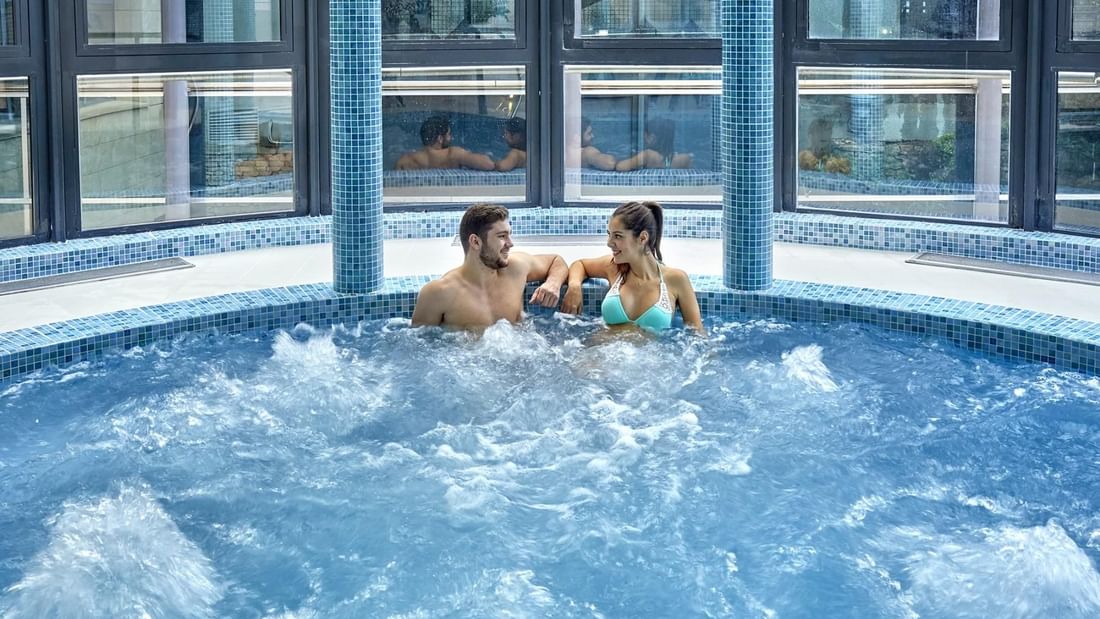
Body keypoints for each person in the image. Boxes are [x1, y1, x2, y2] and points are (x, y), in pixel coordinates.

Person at [412, 203, 568, 329]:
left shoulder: (516, 268)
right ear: (475, 242)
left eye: (509, 234)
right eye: (502, 236)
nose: (510, 243)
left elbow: (556, 261)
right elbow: (417, 350)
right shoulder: (439, 293)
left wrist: (553, 284)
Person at [561, 201, 703, 333]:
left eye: (617, 236)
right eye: (609, 235)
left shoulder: (676, 279)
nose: (609, 243)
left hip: (650, 359)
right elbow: (579, 264)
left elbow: (698, 335)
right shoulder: (614, 267)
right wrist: (574, 286)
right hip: (598, 355)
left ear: (642, 238)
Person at [395, 115, 496, 171]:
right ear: (440, 138)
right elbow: (489, 164)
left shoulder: (406, 160)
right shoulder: (453, 154)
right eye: (448, 134)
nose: (450, 137)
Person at [614, 119, 693, 172]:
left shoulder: (648, 155)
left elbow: (621, 167)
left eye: (645, 136)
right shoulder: (684, 158)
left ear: (652, 138)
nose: (643, 139)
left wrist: (616, 161)